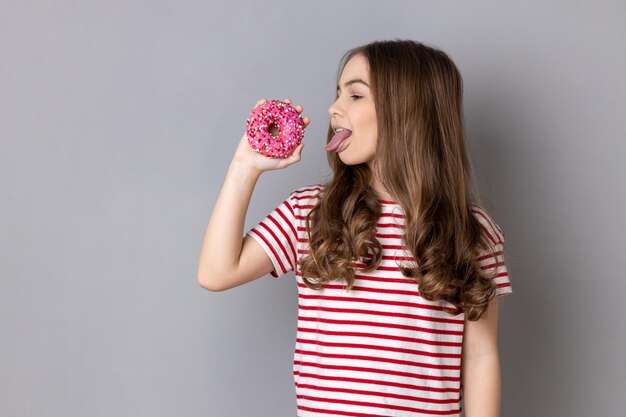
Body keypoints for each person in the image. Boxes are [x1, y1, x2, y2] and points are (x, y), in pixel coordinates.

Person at [197, 39, 513, 417]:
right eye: (337, 94)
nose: (333, 108)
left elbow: (480, 356)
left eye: (355, 95)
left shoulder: (472, 231)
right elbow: (216, 272)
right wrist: (244, 165)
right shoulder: (310, 212)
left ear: (406, 111)